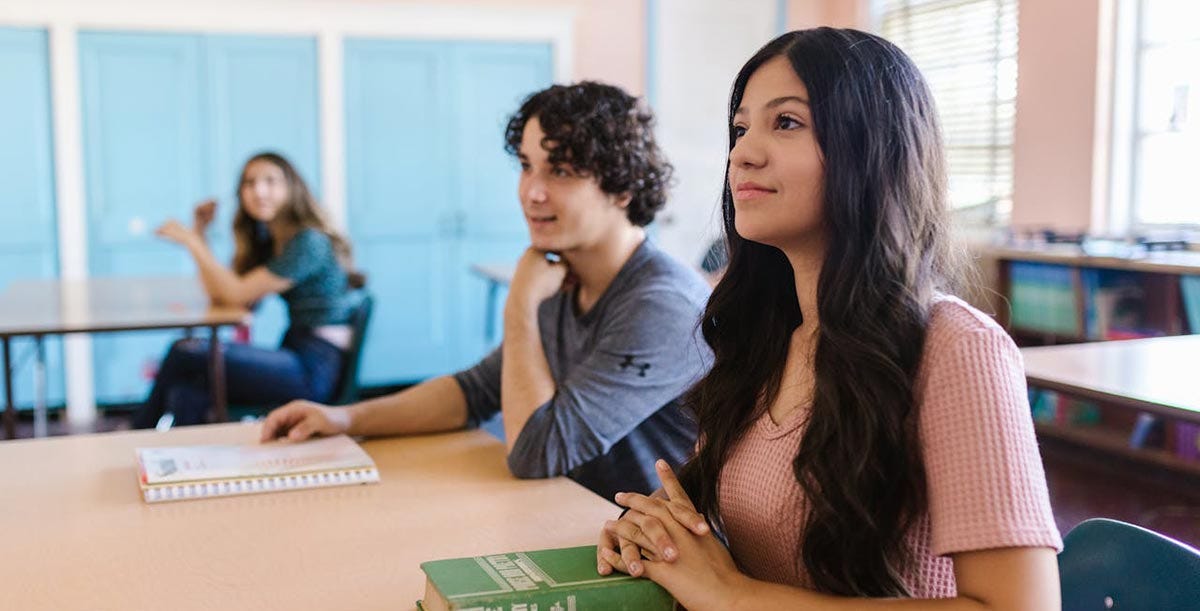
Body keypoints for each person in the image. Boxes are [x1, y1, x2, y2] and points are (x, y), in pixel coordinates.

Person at [596, 28, 1063, 609]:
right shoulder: (768, 336)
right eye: (740, 129)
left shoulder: (956, 346)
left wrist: (733, 596)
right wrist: (661, 535)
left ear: (873, 148)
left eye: (786, 123)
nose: (742, 152)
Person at [260, 82, 713, 500]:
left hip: (663, 561)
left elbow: (535, 453)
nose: (531, 192)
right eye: (526, 166)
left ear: (622, 187)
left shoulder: (662, 304)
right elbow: (473, 391)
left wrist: (519, 307)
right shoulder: (563, 275)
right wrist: (345, 418)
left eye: (559, 171)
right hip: (574, 521)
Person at [131, 152, 363, 429]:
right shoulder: (272, 241)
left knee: (184, 353)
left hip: (314, 368)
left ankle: (136, 436)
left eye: (270, 181)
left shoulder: (308, 242)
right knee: (188, 392)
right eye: (249, 183)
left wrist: (193, 243)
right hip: (296, 353)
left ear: (292, 188)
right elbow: (224, 295)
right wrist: (200, 232)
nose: (259, 191)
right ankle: (179, 465)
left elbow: (236, 294)